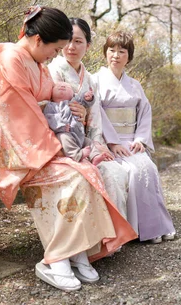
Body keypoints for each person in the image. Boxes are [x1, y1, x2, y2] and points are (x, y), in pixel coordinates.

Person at [0, 6, 136, 292]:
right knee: (75, 177)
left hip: (43, 141)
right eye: (55, 49)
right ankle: (55, 259)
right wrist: (59, 145)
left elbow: (46, 106)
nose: (55, 55)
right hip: (21, 149)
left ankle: (77, 250)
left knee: (88, 173)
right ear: (39, 39)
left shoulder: (34, 61)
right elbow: (21, 117)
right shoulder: (11, 61)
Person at [93, 31, 176, 244]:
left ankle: (154, 226)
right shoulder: (96, 81)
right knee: (130, 171)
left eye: (122, 51)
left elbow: (145, 112)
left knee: (148, 168)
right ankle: (133, 229)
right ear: (105, 52)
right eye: (112, 50)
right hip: (109, 143)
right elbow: (96, 113)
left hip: (132, 142)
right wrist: (112, 141)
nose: (116, 55)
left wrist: (140, 139)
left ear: (129, 57)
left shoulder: (134, 85)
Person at [48, 18, 130, 220]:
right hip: (61, 141)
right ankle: (92, 237)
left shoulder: (91, 79)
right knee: (89, 175)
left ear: (88, 45)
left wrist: (97, 145)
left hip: (85, 140)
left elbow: (94, 117)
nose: (71, 47)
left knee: (115, 172)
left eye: (78, 41)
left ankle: (111, 236)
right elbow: (48, 108)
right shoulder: (53, 70)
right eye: (67, 40)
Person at [43, 81, 109, 165]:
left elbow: (84, 100)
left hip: (79, 134)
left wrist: (87, 97)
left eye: (67, 87)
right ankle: (77, 155)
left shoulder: (74, 101)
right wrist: (62, 126)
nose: (63, 86)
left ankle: (95, 156)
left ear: (73, 94)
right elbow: (50, 117)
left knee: (88, 142)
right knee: (63, 138)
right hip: (65, 132)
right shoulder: (51, 106)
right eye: (58, 86)